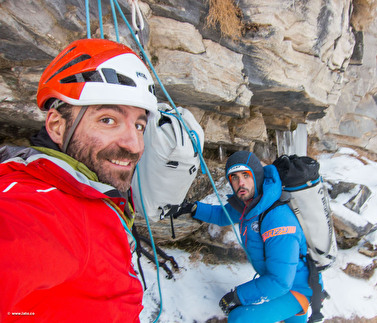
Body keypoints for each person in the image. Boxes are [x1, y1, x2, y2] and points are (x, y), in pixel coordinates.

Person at [0, 38, 157, 322]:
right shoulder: (41, 208)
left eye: (139, 125)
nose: (134, 145)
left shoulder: (93, 191)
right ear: (57, 126)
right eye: (108, 120)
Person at [174, 151, 313, 323]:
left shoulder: (278, 220)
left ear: (257, 175)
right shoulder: (250, 204)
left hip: (296, 289)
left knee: (239, 318)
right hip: (279, 283)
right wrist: (193, 208)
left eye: (246, 175)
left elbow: (280, 281)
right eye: (234, 177)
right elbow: (222, 215)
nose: (240, 183)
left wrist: (238, 296)